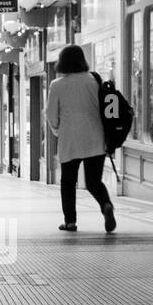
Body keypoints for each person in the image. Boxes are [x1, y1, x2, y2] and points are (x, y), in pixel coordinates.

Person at [46, 44, 115, 233]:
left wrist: (57, 130)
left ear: (62, 62)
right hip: (95, 137)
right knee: (94, 181)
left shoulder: (57, 85)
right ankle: (106, 205)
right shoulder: (94, 80)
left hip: (70, 139)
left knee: (68, 181)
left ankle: (70, 222)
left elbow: (51, 114)